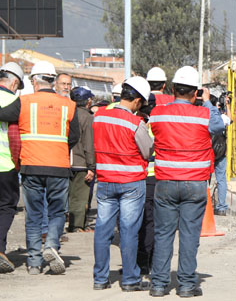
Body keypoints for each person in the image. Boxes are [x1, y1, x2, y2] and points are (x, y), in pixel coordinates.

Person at [148, 66, 224, 297]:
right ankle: (187, 285)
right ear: (196, 92)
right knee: (190, 234)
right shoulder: (203, 114)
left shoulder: (158, 113)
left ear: (172, 89)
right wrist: (208, 102)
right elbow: (219, 126)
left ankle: (159, 285)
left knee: (163, 234)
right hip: (194, 183)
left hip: (165, 182)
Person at [91, 76, 153, 291]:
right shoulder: (136, 123)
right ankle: (130, 279)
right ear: (137, 101)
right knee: (128, 231)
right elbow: (147, 151)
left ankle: (100, 279)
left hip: (106, 180)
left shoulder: (99, 116)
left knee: (102, 230)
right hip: (131, 183)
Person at [19, 60, 80, 275]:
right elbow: (74, 136)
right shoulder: (69, 105)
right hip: (58, 166)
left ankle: (34, 263)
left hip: (31, 165)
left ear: (34, 81)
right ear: (53, 82)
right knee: (56, 213)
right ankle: (51, 246)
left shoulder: (23, 102)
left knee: (34, 215)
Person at [0, 62, 23, 273]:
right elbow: (16, 138)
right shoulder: (15, 101)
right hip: (5, 165)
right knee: (6, 207)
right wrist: (18, 163)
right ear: (14, 82)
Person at [67, 87, 96, 233]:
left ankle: (78, 224)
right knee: (80, 197)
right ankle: (77, 226)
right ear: (88, 101)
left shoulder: (67, 113)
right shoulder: (88, 118)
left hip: (65, 161)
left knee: (70, 195)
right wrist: (91, 166)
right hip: (81, 163)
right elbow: (89, 144)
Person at [137, 93, 157, 279]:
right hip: (156, 178)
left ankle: (142, 264)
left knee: (140, 223)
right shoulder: (158, 123)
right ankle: (151, 263)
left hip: (138, 177)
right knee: (153, 223)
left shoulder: (137, 122)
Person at [209, 94, 232, 216]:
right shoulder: (221, 117)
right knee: (221, 179)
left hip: (207, 152)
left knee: (205, 179)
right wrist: (227, 105)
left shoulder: (202, 116)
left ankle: (205, 205)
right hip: (220, 152)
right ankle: (221, 207)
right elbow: (230, 119)